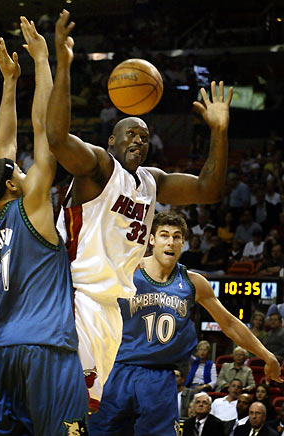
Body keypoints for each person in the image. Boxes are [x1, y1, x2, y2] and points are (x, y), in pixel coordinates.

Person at [46, 9, 234, 406]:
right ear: (111, 142)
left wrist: (218, 131)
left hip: (119, 309)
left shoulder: (152, 181)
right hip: (76, 297)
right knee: (68, 409)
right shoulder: (98, 168)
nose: (138, 139)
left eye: (145, 135)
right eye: (129, 132)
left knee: (99, 413)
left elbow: (208, 189)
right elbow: (58, 139)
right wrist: (63, 65)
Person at [0, 19, 88, 435]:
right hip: (47, 349)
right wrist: (42, 61)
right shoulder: (34, 205)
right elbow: (43, 130)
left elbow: (3, 149)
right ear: (11, 183)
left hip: (3, 350)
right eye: (18, 172)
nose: (25, 169)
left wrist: (9, 82)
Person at [89, 213, 282, 436]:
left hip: (159, 378)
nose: (170, 241)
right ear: (151, 240)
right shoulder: (125, 272)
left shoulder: (193, 282)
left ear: (183, 243)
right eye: (164, 235)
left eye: (176, 236)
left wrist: (267, 355)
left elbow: (230, 324)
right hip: (117, 370)